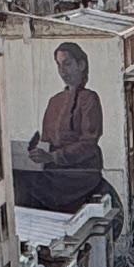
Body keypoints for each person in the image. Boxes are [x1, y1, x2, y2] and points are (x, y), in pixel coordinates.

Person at [15, 38, 109, 210]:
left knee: (26, 182)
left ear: (81, 65)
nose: (62, 71)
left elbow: (88, 144)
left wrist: (53, 157)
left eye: (67, 64)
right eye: (59, 65)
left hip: (80, 173)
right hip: (54, 170)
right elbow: (46, 140)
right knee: (17, 175)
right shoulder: (55, 101)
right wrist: (35, 151)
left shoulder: (89, 99)